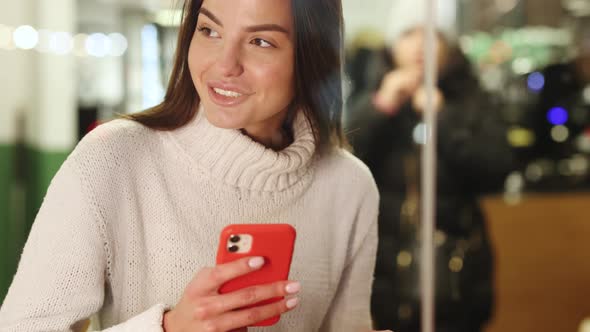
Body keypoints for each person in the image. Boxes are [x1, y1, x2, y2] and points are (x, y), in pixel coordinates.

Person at [0, 0, 386, 331]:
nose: (224, 64)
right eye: (208, 30)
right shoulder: (114, 158)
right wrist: (168, 327)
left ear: (312, 58)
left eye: (260, 41)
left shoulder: (350, 187)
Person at [346, 26, 514, 332]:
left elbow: (496, 169)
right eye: (409, 34)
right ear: (392, 45)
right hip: (382, 267)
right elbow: (343, 166)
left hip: (456, 267)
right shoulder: (370, 95)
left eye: (431, 36)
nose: (420, 46)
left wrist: (442, 117)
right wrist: (381, 106)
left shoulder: (471, 99)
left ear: (447, 47)